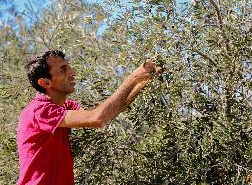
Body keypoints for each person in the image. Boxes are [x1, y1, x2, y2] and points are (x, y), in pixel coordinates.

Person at [17, 50, 162, 185]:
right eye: (63, 69)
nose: (73, 72)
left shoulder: (65, 107)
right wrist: (134, 77)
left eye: (69, 66)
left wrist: (143, 81)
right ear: (45, 83)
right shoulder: (40, 110)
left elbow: (108, 113)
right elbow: (98, 118)